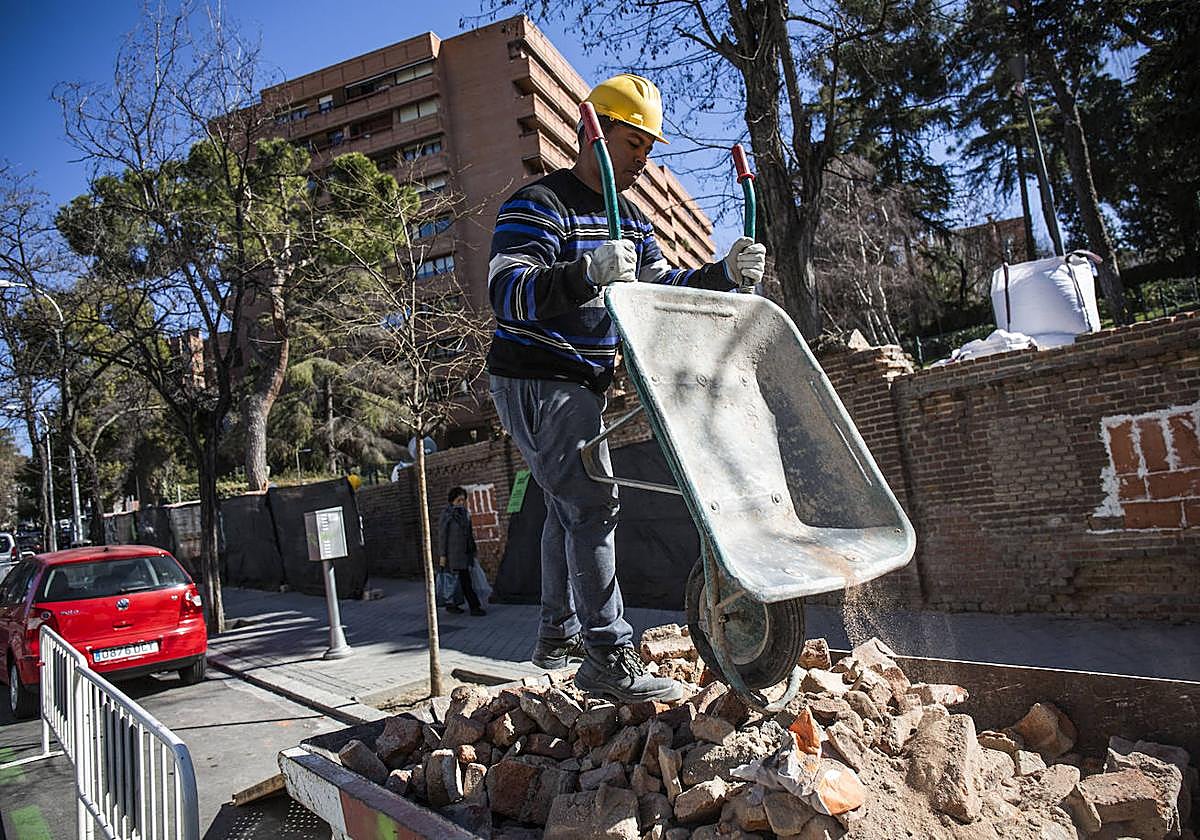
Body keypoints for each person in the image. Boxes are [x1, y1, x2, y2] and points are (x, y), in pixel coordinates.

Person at [485, 74, 767, 703]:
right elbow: (507, 294)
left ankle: (557, 636)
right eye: (634, 142)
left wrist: (725, 273)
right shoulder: (539, 205)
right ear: (596, 134)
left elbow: (665, 294)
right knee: (592, 505)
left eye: (648, 146)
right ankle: (608, 655)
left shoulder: (632, 223)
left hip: (585, 377)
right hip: (536, 374)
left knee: (570, 506)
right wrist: (584, 272)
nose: (644, 157)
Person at [439, 486, 485, 616]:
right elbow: (442, 535)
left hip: (465, 554)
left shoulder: (465, 514)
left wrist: (473, 549)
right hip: (452, 555)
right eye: (459, 500)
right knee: (460, 581)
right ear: (452, 500)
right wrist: (442, 555)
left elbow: (469, 534)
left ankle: (453, 605)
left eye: (463, 500)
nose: (461, 503)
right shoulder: (447, 515)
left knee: (461, 581)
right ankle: (474, 607)